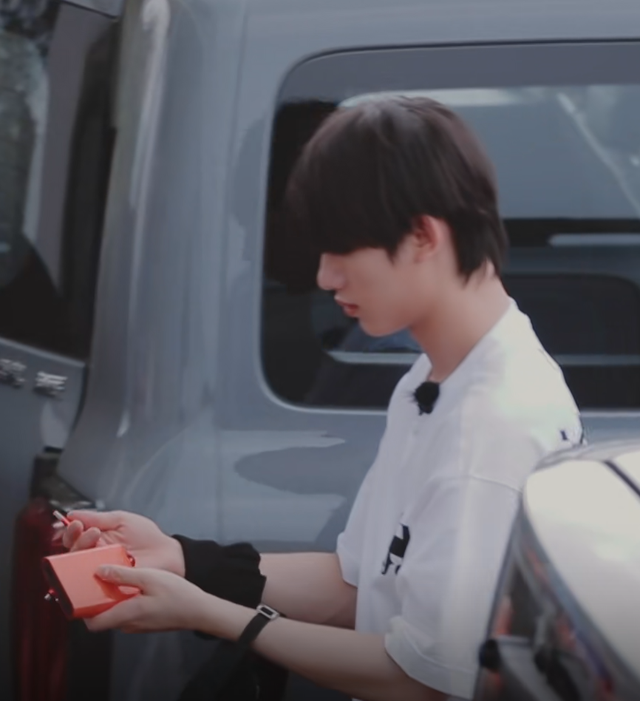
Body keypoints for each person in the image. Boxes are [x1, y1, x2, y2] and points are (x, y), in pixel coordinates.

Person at [62, 97, 584, 701]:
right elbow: (355, 586)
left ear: (422, 236)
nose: (324, 277)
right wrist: (182, 560)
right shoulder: (438, 379)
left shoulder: (491, 427)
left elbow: (424, 681)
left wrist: (213, 613)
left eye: (341, 250)